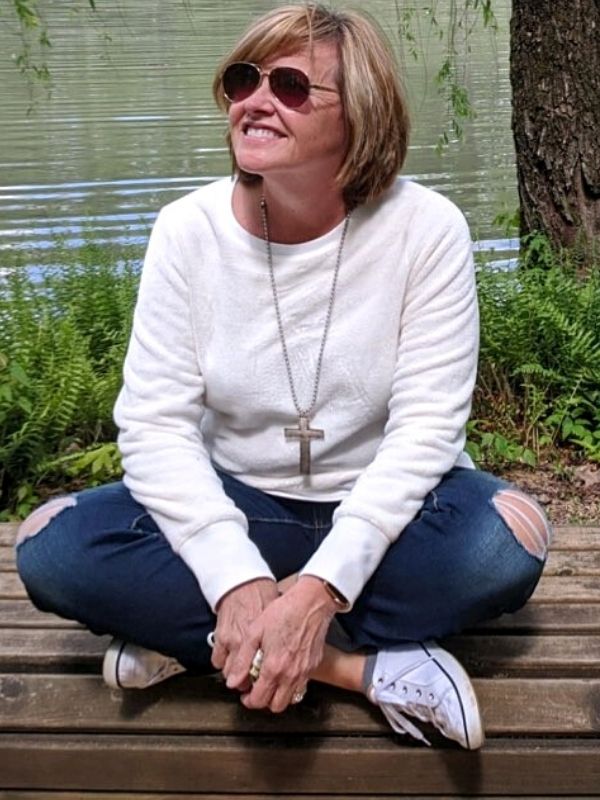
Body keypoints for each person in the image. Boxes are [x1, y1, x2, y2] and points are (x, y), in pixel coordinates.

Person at [15, 3, 551, 750]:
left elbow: (426, 432)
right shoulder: (187, 230)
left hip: (390, 514)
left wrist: (320, 584)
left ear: (359, 114)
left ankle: (199, 643)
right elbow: (155, 426)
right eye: (244, 80)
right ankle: (354, 668)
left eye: (292, 87)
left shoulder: (427, 230)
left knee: (505, 545)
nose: (254, 101)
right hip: (242, 503)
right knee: (53, 548)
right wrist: (235, 577)